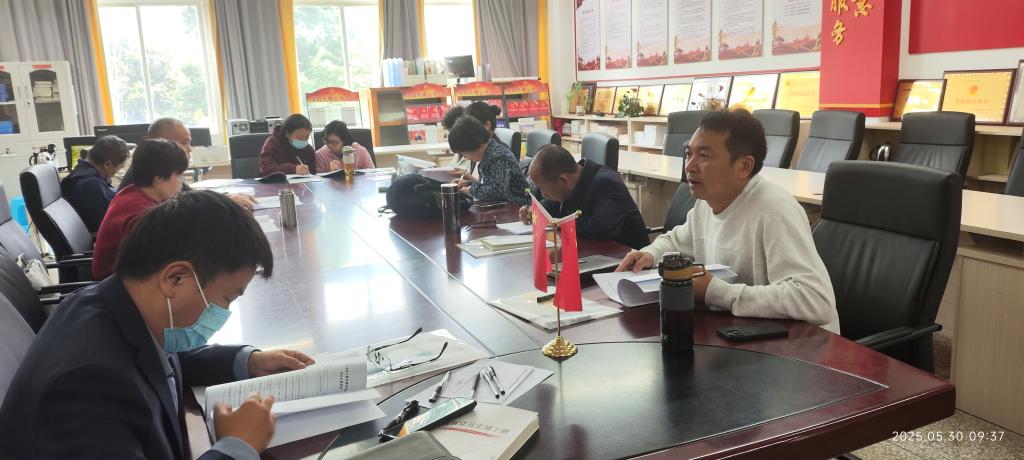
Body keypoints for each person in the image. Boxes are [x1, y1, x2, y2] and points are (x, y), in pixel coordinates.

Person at [0, 190, 314, 459]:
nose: (225, 311)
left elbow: (160, 360)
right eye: (227, 298)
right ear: (175, 278)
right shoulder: (86, 388)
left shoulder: (114, 304)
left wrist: (249, 361)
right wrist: (237, 446)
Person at [615, 109, 839, 333]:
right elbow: (676, 240)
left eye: (704, 156)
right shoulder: (707, 202)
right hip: (747, 333)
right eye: (689, 154)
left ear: (744, 167)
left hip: (805, 345)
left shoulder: (775, 210)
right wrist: (650, 254)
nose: (689, 166)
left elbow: (816, 300)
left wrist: (715, 292)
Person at [519, 144, 649, 249]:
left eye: (544, 189)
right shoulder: (571, 183)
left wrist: (560, 223)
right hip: (592, 252)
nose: (543, 194)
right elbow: (556, 203)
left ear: (563, 180)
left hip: (626, 260)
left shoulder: (607, 183)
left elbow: (600, 228)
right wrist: (536, 210)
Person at [93, 139, 188, 279]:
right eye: (179, 176)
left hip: (119, 278)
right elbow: (155, 266)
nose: (181, 184)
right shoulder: (143, 214)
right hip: (119, 284)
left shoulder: (131, 192)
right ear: (158, 178)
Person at [119, 117, 256, 211]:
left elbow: (189, 195)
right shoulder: (144, 182)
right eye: (185, 142)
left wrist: (224, 199)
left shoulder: (155, 167)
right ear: (162, 143)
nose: (190, 149)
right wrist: (223, 204)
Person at [447, 116, 530, 206]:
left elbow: (497, 192)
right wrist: (468, 183)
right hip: (505, 204)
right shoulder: (488, 153)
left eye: (464, 153)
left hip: (517, 206)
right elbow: (490, 183)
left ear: (473, 145)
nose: (465, 157)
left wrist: (471, 189)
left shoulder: (498, 157)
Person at [60, 135, 130, 232]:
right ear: (108, 164)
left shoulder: (82, 173)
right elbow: (111, 222)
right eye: (120, 167)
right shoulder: (90, 185)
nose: (117, 172)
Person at [440, 102, 502, 179]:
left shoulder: (497, 156)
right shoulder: (481, 151)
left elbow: (493, 186)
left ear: (486, 125)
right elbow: (484, 183)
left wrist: (470, 180)